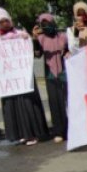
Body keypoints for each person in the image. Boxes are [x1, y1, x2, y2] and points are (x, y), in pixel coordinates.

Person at [0, 8, 50, 145]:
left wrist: (27, 40)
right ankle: (21, 134)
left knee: (28, 103)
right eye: (2, 21)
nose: (5, 23)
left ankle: (33, 133)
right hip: (8, 81)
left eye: (7, 20)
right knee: (13, 106)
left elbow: (33, 52)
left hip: (24, 78)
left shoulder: (21, 34)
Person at [32, 13, 69, 143]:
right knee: (54, 102)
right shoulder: (41, 38)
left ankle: (70, 129)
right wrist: (35, 39)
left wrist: (67, 52)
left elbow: (68, 50)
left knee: (67, 101)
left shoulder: (63, 36)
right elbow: (37, 55)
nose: (46, 26)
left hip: (64, 72)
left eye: (48, 23)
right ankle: (58, 131)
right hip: (50, 74)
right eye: (43, 24)